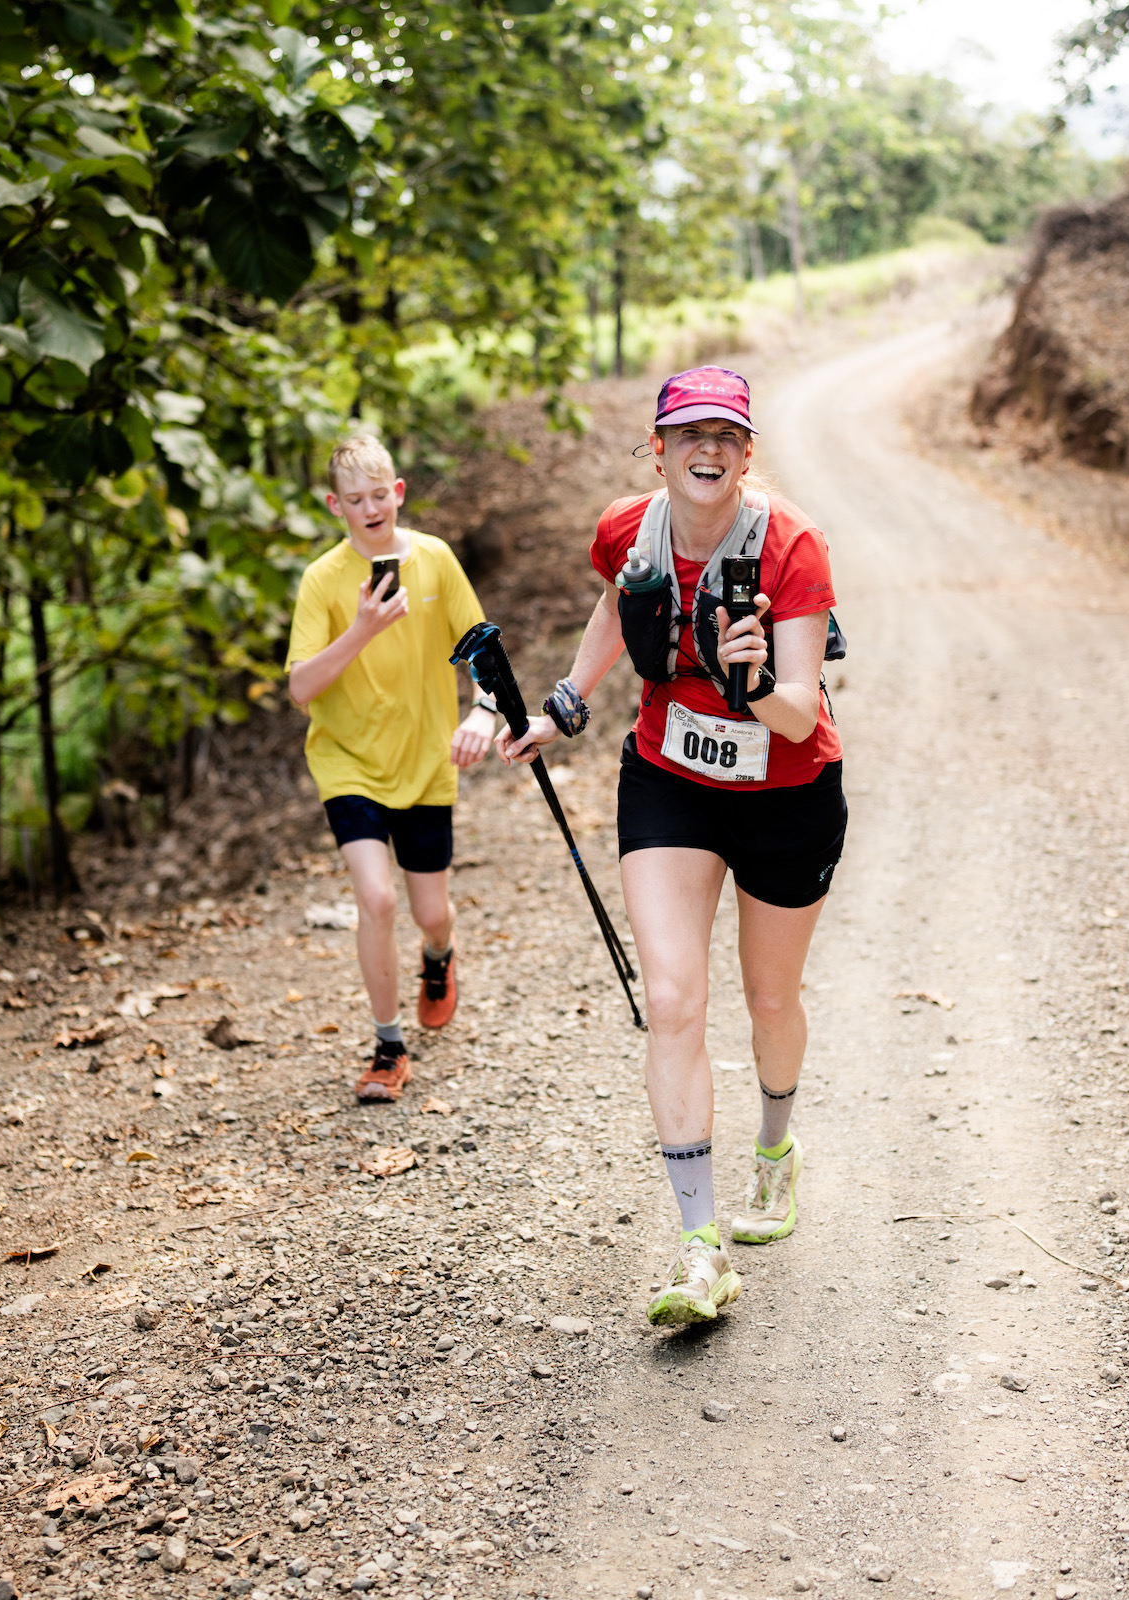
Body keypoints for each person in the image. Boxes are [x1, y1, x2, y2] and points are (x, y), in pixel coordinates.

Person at [499, 366, 844, 1325]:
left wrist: (754, 675)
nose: (708, 450)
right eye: (688, 434)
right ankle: (702, 1251)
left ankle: (775, 1148)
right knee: (673, 999)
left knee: (771, 997)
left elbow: (801, 713)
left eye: (726, 436)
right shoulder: (626, 529)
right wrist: (567, 701)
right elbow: (618, 605)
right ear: (656, 449)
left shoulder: (792, 546)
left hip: (787, 787)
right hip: (671, 782)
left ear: (747, 454)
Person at [288, 435, 498, 1102]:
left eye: (380, 494)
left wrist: (483, 714)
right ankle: (388, 1045)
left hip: (428, 761)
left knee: (429, 912)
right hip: (347, 762)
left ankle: (438, 957)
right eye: (356, 499)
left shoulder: (434, 560)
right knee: (376, 899)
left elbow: (483, 650)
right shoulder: (323, 581)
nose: (371, 507)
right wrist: (362, 630)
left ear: (398, 492)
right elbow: (301, 687)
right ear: (335, 506)